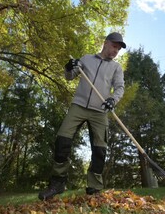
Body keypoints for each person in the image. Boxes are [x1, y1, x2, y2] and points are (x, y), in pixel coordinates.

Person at [38, 32, 126, 200]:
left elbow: (120, 88)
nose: (116, 51)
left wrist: (112, 100)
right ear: (106, 43)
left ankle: (94, 188)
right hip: (78, 106)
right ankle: (58, 182)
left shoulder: (116, 67)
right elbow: (69, 77)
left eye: (118, 49)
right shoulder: (86, 59)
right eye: (114, 46)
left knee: (100, 149)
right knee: (62, 140)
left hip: (100, 110)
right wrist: (69, 67)